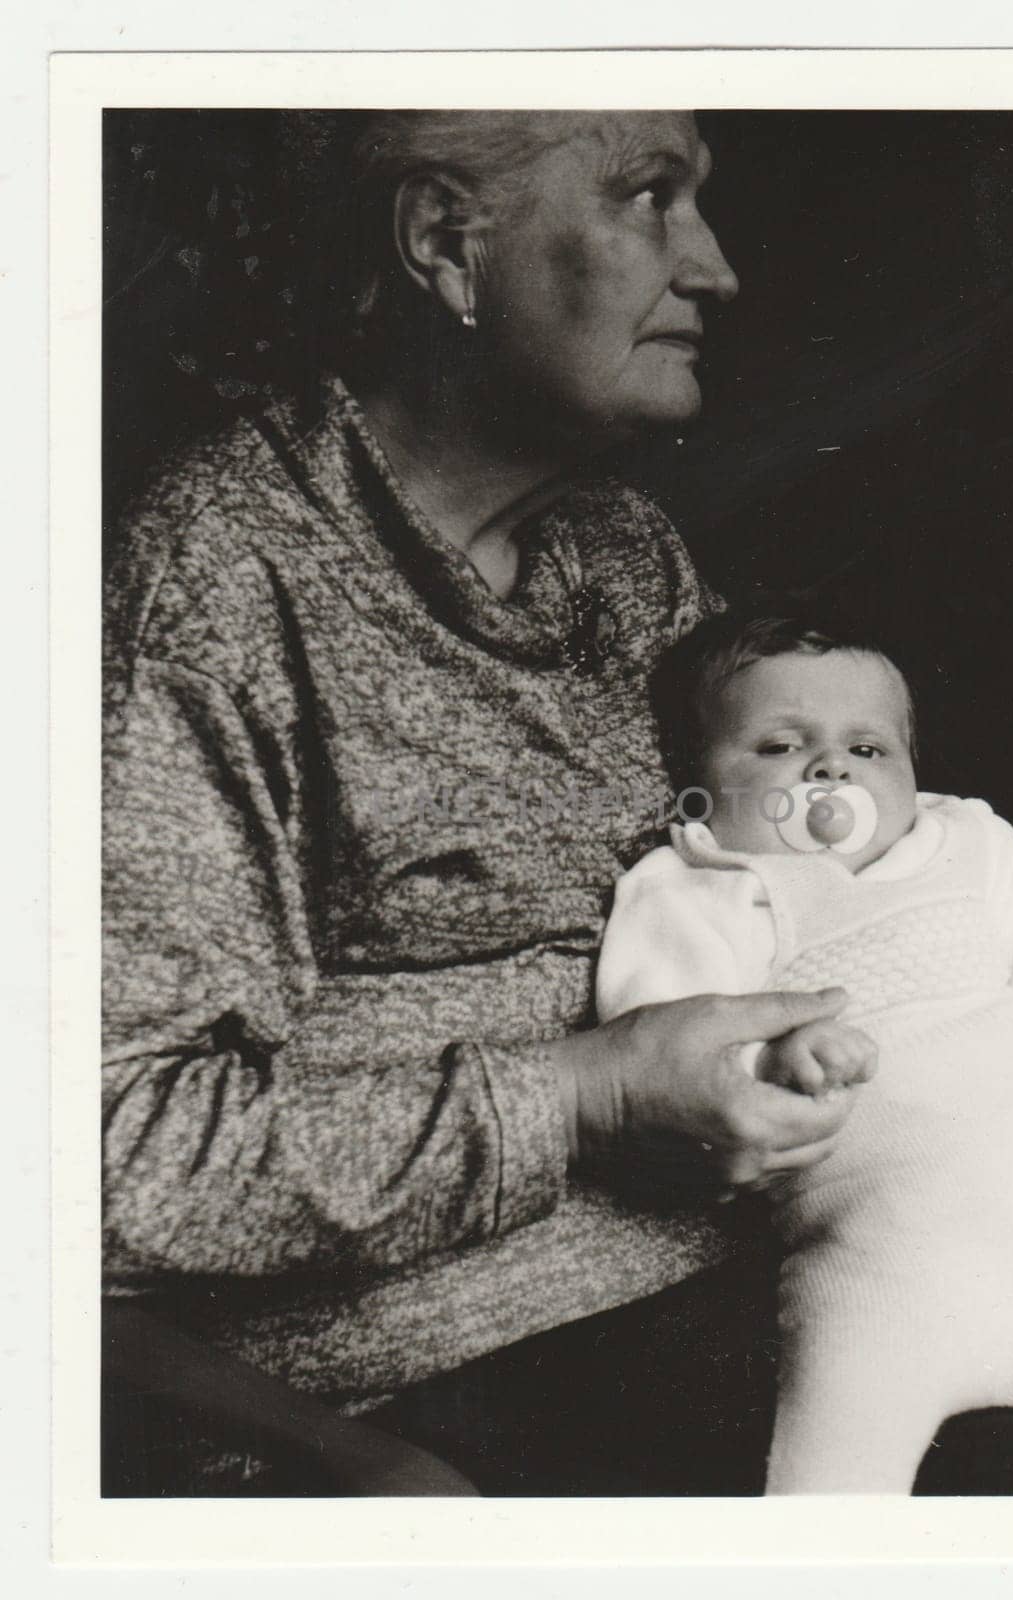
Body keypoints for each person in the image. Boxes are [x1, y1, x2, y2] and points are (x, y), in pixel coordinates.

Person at [102, 111, 872, 1495]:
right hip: (446, 1394)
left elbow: (779, 885)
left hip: (760, 1272)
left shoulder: (624, 555)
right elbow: (104, 1164)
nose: (715, 268)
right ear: (448, 245)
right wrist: (587, 1099)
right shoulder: (220, 588)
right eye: (652, 197)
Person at [596, 615, 1013, 1493]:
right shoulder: (701, 890)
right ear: (693, 791)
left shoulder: (965, 845)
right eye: (780, 745)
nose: (831, 769)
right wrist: (777, 1064)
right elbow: (671, 1053)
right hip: (882, 1275)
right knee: (833, 1499)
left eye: (869, 747)